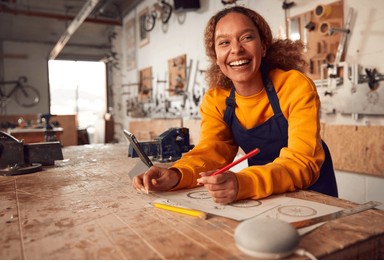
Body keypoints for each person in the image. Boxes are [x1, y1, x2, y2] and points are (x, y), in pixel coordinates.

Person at [132, 6, 338, 204]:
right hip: (263, 193)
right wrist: (176, 175)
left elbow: (302, 162)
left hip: (311, 190)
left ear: (263, 46)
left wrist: (245, 183)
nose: (236, 49)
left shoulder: (294, 85)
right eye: (224, 43)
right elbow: (211, 152)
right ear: (215, 55)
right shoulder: (216, 99)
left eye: (247, 38)